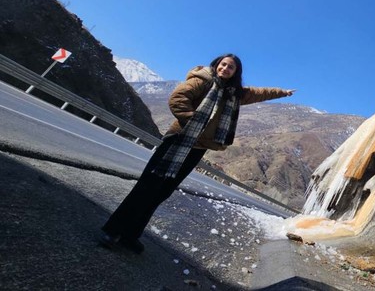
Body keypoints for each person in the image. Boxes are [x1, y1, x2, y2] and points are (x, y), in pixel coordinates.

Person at [100, 53, 294, 253]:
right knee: (148, 186)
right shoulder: (203, 80)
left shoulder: (233, 93)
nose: (225, 69)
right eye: (223, 64)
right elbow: (178, 98)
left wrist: (283, 92)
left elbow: (260, 92)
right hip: (178, 141)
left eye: (230, 67)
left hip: (197, 148)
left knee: (163, 191)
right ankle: (113, 230)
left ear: (236, 73)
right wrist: (195, 121)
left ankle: (131, 234)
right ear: (217, 64)